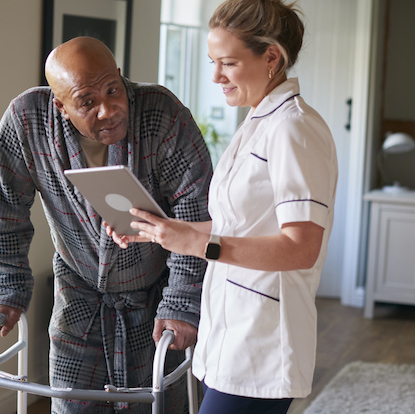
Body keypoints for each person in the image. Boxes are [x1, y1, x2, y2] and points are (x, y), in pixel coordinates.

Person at [108, 1, 338, 412]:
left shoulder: (294, 129)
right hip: (231, 334)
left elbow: (302, 247)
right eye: (213, 62)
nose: (215, 76)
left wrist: (200, 245)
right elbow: (237, 225)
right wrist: (156, 228)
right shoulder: (258, 123)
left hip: (263, 344)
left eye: (228, 63)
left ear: (271, 56)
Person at [0, 36, 213, 413]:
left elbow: (197, 211)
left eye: (113, 90)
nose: (108, 110)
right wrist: (7, 289)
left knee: (159, 404)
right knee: (72, 405)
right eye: (87, 102)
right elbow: (4, 208)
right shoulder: (27, 121)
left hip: (157, 296)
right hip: (78, 290)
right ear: (60, 106)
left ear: (121, 77)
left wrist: (182, 302)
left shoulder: (162, 114)